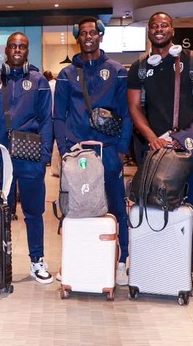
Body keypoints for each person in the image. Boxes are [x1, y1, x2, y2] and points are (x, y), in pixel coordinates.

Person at [127, 12, 193, 297]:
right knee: (153, 209)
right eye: (154, 26)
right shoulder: (140, 67)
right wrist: (151, 137)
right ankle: (157, 266)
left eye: (163, 25)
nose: (158, 29)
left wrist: (191, 133)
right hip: (156, 153)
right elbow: (134, 108)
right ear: (149, 32)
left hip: (190, 149)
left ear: (172, 29)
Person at [53, 17, 132, 285]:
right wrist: (65, 150)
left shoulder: (118, 71)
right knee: (75, 208)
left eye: (93, 32)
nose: (88, 36)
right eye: (83, 33)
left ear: (100, 36)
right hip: (78, 154)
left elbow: (127, 113)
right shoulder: (66, 74)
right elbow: (58, 116)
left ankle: (122, 262)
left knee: (116, 206)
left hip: (108, 151)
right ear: (78, 38)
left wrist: (121, 150)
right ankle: (75, 261)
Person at [0, 32, 54, 284]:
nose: (17, 50)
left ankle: (37, 261)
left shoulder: (39, 81)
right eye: (13, 46)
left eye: (22, 46)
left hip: (29, 157)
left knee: (33, 212)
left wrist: (44, 158)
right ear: (6, 50)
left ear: (27, 50)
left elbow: (46, 121)